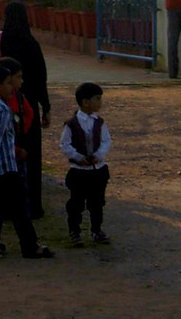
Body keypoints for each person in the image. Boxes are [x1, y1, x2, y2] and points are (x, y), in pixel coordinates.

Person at [0, 63, 53, 260]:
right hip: (4, 169)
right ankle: (30, 246)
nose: (12, 87)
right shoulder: (3, 111)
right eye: (8, 83)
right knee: (19, 210)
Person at [0, 1, 51, 218]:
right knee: (28, 156)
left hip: (2, 103)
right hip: (27, 105)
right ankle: (30, 205)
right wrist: (46, 107)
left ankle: (5, 205)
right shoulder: (31, 44)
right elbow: (40, 77)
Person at [60, 81, 112, 247]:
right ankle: (75, 231)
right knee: (76, 203)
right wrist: (77, 156)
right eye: (97, 99)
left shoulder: (100, 123)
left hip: (97, 169)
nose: (100, 102)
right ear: (85, 102)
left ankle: (96, 230)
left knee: (97, 203)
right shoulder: (72, 124)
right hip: (79, 170)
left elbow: (106, 141)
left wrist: (99, 155)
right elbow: (65, 144)